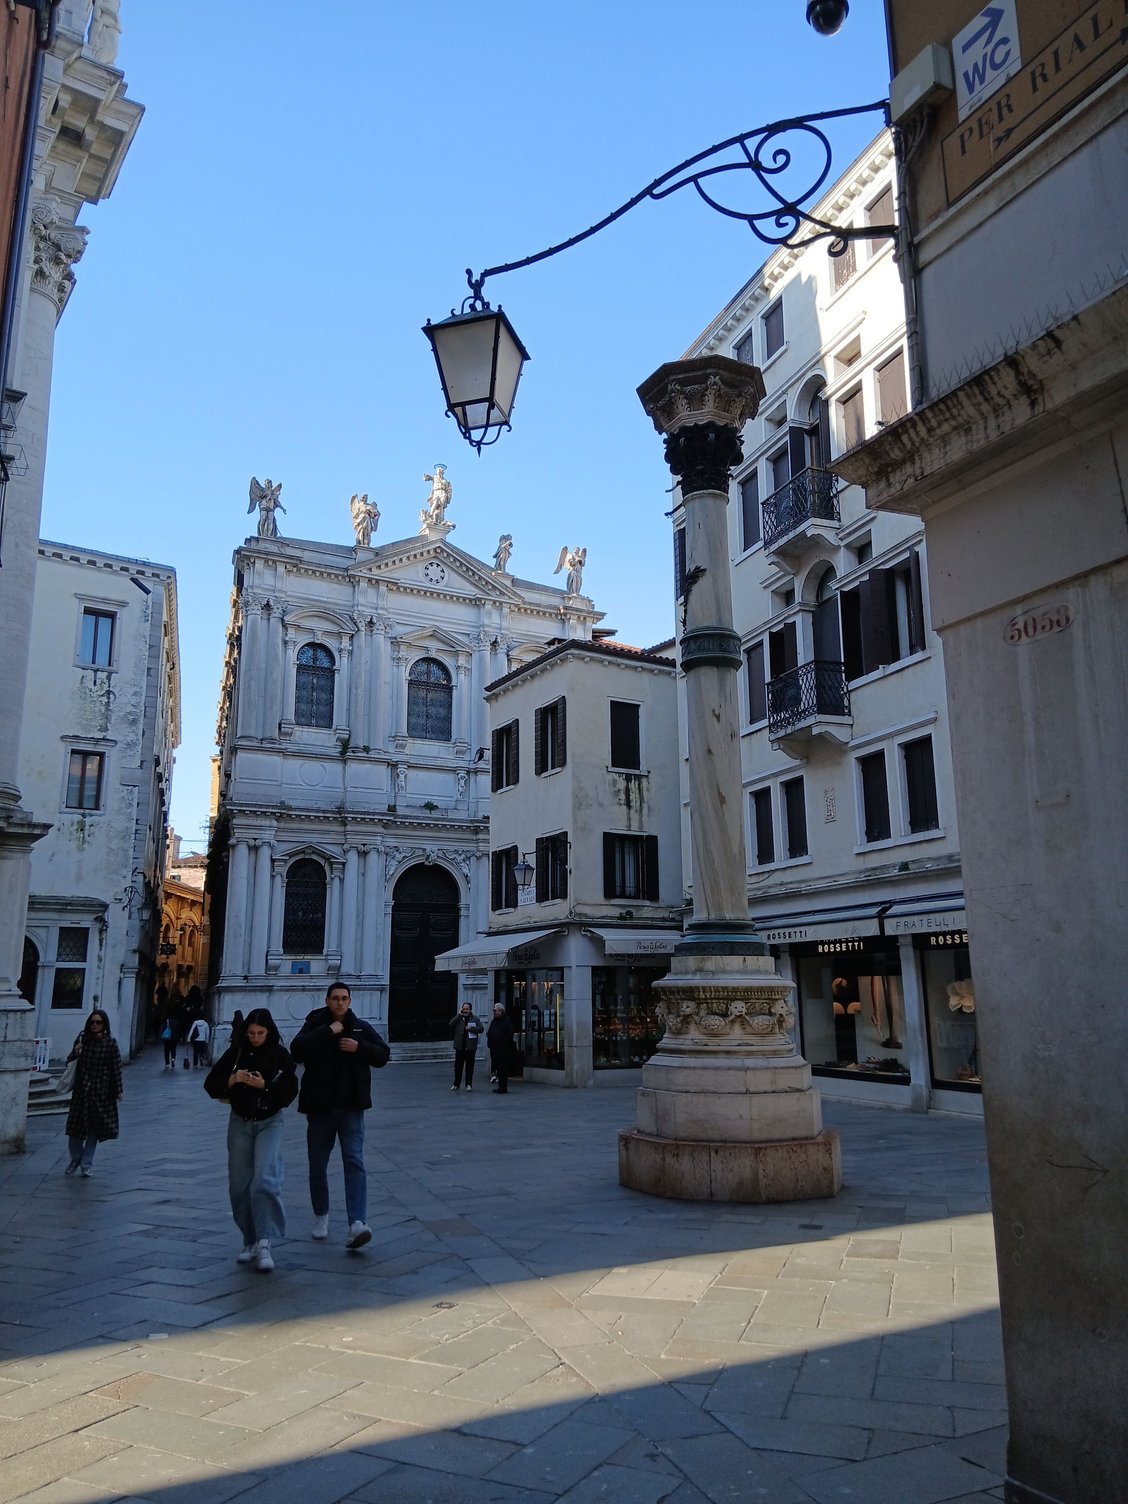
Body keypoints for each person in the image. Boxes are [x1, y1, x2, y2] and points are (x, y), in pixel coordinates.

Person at [290, 982, 389, 1250]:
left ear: (350, 1001)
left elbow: (382, 1055)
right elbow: (296, 1050)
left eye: (344, 998)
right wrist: (326, 1032)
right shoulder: (314, 1024)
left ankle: (357, 1221)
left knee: (354, 1161)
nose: (340, 1003)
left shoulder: (360, 1028)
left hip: (351, 1106)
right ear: (327, 1000)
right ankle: (321, 1214)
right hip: (320, 1107)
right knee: (317, 1164)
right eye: (336, 999)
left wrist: (360, 1048)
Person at [205, 1009, 298, 1273]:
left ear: (269, 1032)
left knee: (264, 1180)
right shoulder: (237, 1053)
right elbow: (211, 1084)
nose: (256, 1038)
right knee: (239, 1186)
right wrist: (233, 1079)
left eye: (260, 1033)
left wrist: (264, 1086)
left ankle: (265, 1242)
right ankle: (249, 1239)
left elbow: (290, 1090)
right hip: (240, 1122)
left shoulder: (281, 1056)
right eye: (251, 1033)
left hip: (270, 1121)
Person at [63, 1010, 123, 1177]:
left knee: (93, 1130)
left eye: (99, 1022)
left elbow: (116, 1068)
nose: (95, 1025)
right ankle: (76, 1158)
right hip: (82, 1091)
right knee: (75, 1129)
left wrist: (118, 1090)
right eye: (92, 1022)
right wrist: (76, 1051)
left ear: (104, 1024)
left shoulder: (110, 1043)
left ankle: (86, 1164)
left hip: (101, 1092)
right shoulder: (82, 1039)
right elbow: (69, 1062)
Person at [449, 1002, 483, 1091]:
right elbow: (451, 1024)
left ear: (470, 1010)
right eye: (464, 1009)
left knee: (469, 1067)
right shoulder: (459, 1018)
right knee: (458, 1067)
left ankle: (468, 1084)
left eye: (467, 1009)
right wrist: (458, 1015)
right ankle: (456, 1084)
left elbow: (481, 1029)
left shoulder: (475, 1018)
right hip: (460, 1047)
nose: (465, 1010)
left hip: (470, 1047)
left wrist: (471, 1028)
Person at [486, 1003, 515, 1095]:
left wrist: (502, 1044)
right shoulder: (494, 1021)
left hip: (503, 1050)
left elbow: (509, 1035)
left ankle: (503, 1087)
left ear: (501, 1011)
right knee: (498, 1068)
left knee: (503, 1069)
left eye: (495, 1010)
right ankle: (500, 1085)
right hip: (495, 1049)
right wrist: (490, 1043)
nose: (494, 1012)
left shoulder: (507, 1021)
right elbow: (489, 1032)